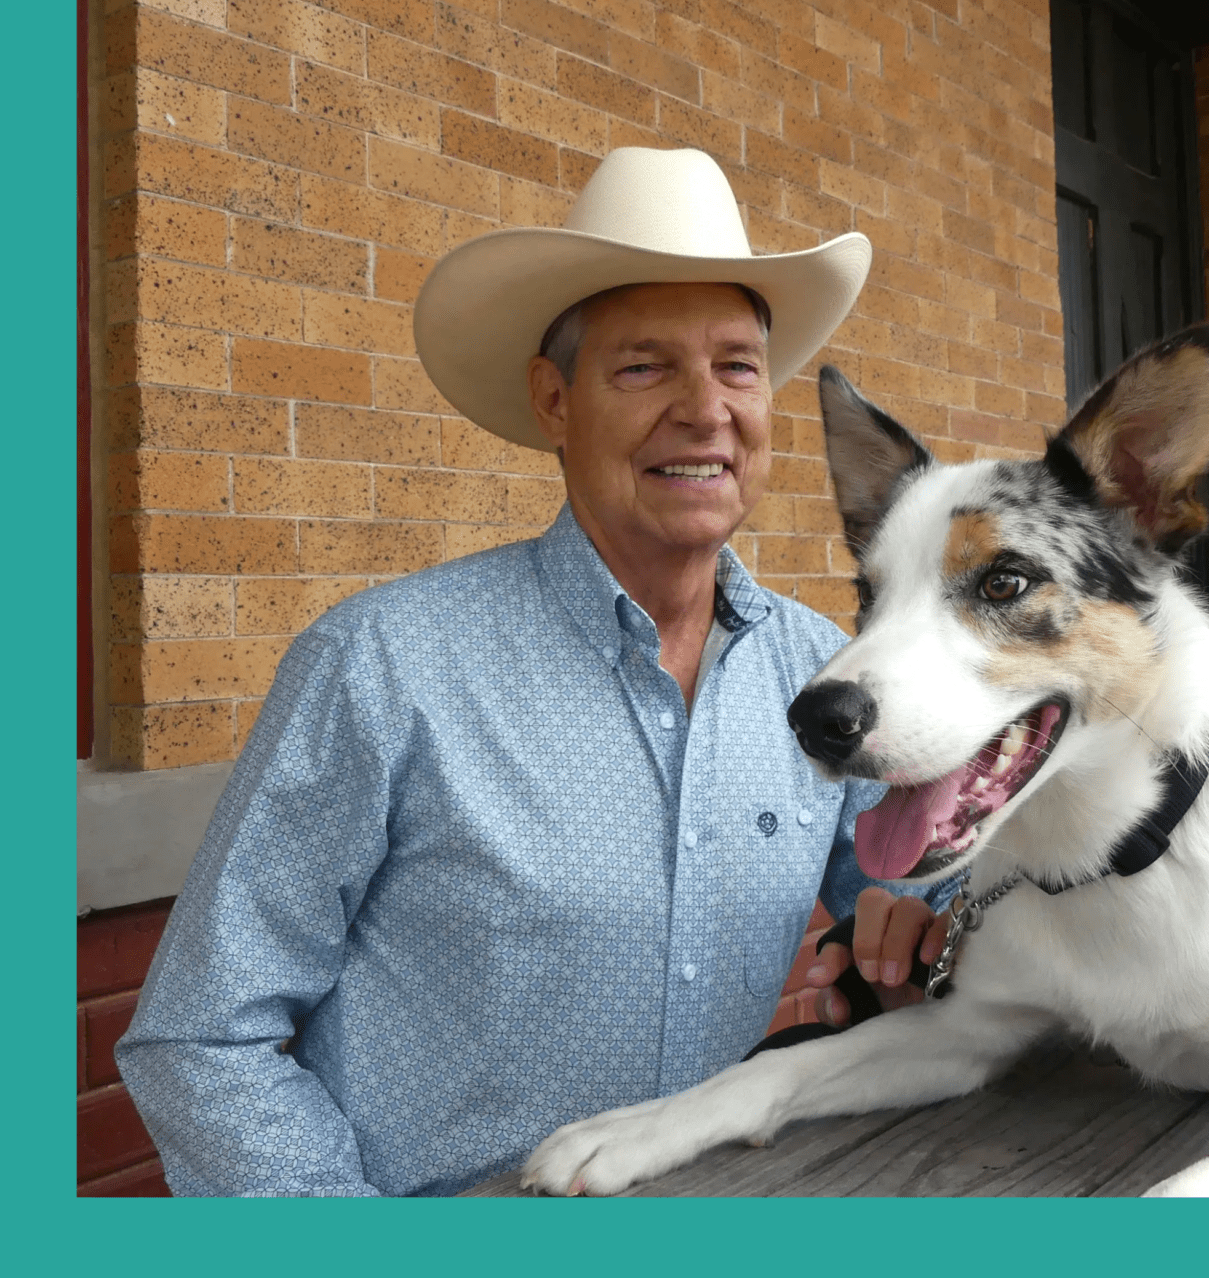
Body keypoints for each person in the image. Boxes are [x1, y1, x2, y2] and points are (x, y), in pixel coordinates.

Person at [117, 147, 948, 1197]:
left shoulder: (819, 670)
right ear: (554, 403)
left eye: (737, 365)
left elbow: (912, 880)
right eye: (644, 367)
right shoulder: (382, 665)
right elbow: (200, 1041)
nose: (705, 409)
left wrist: (927, 923)